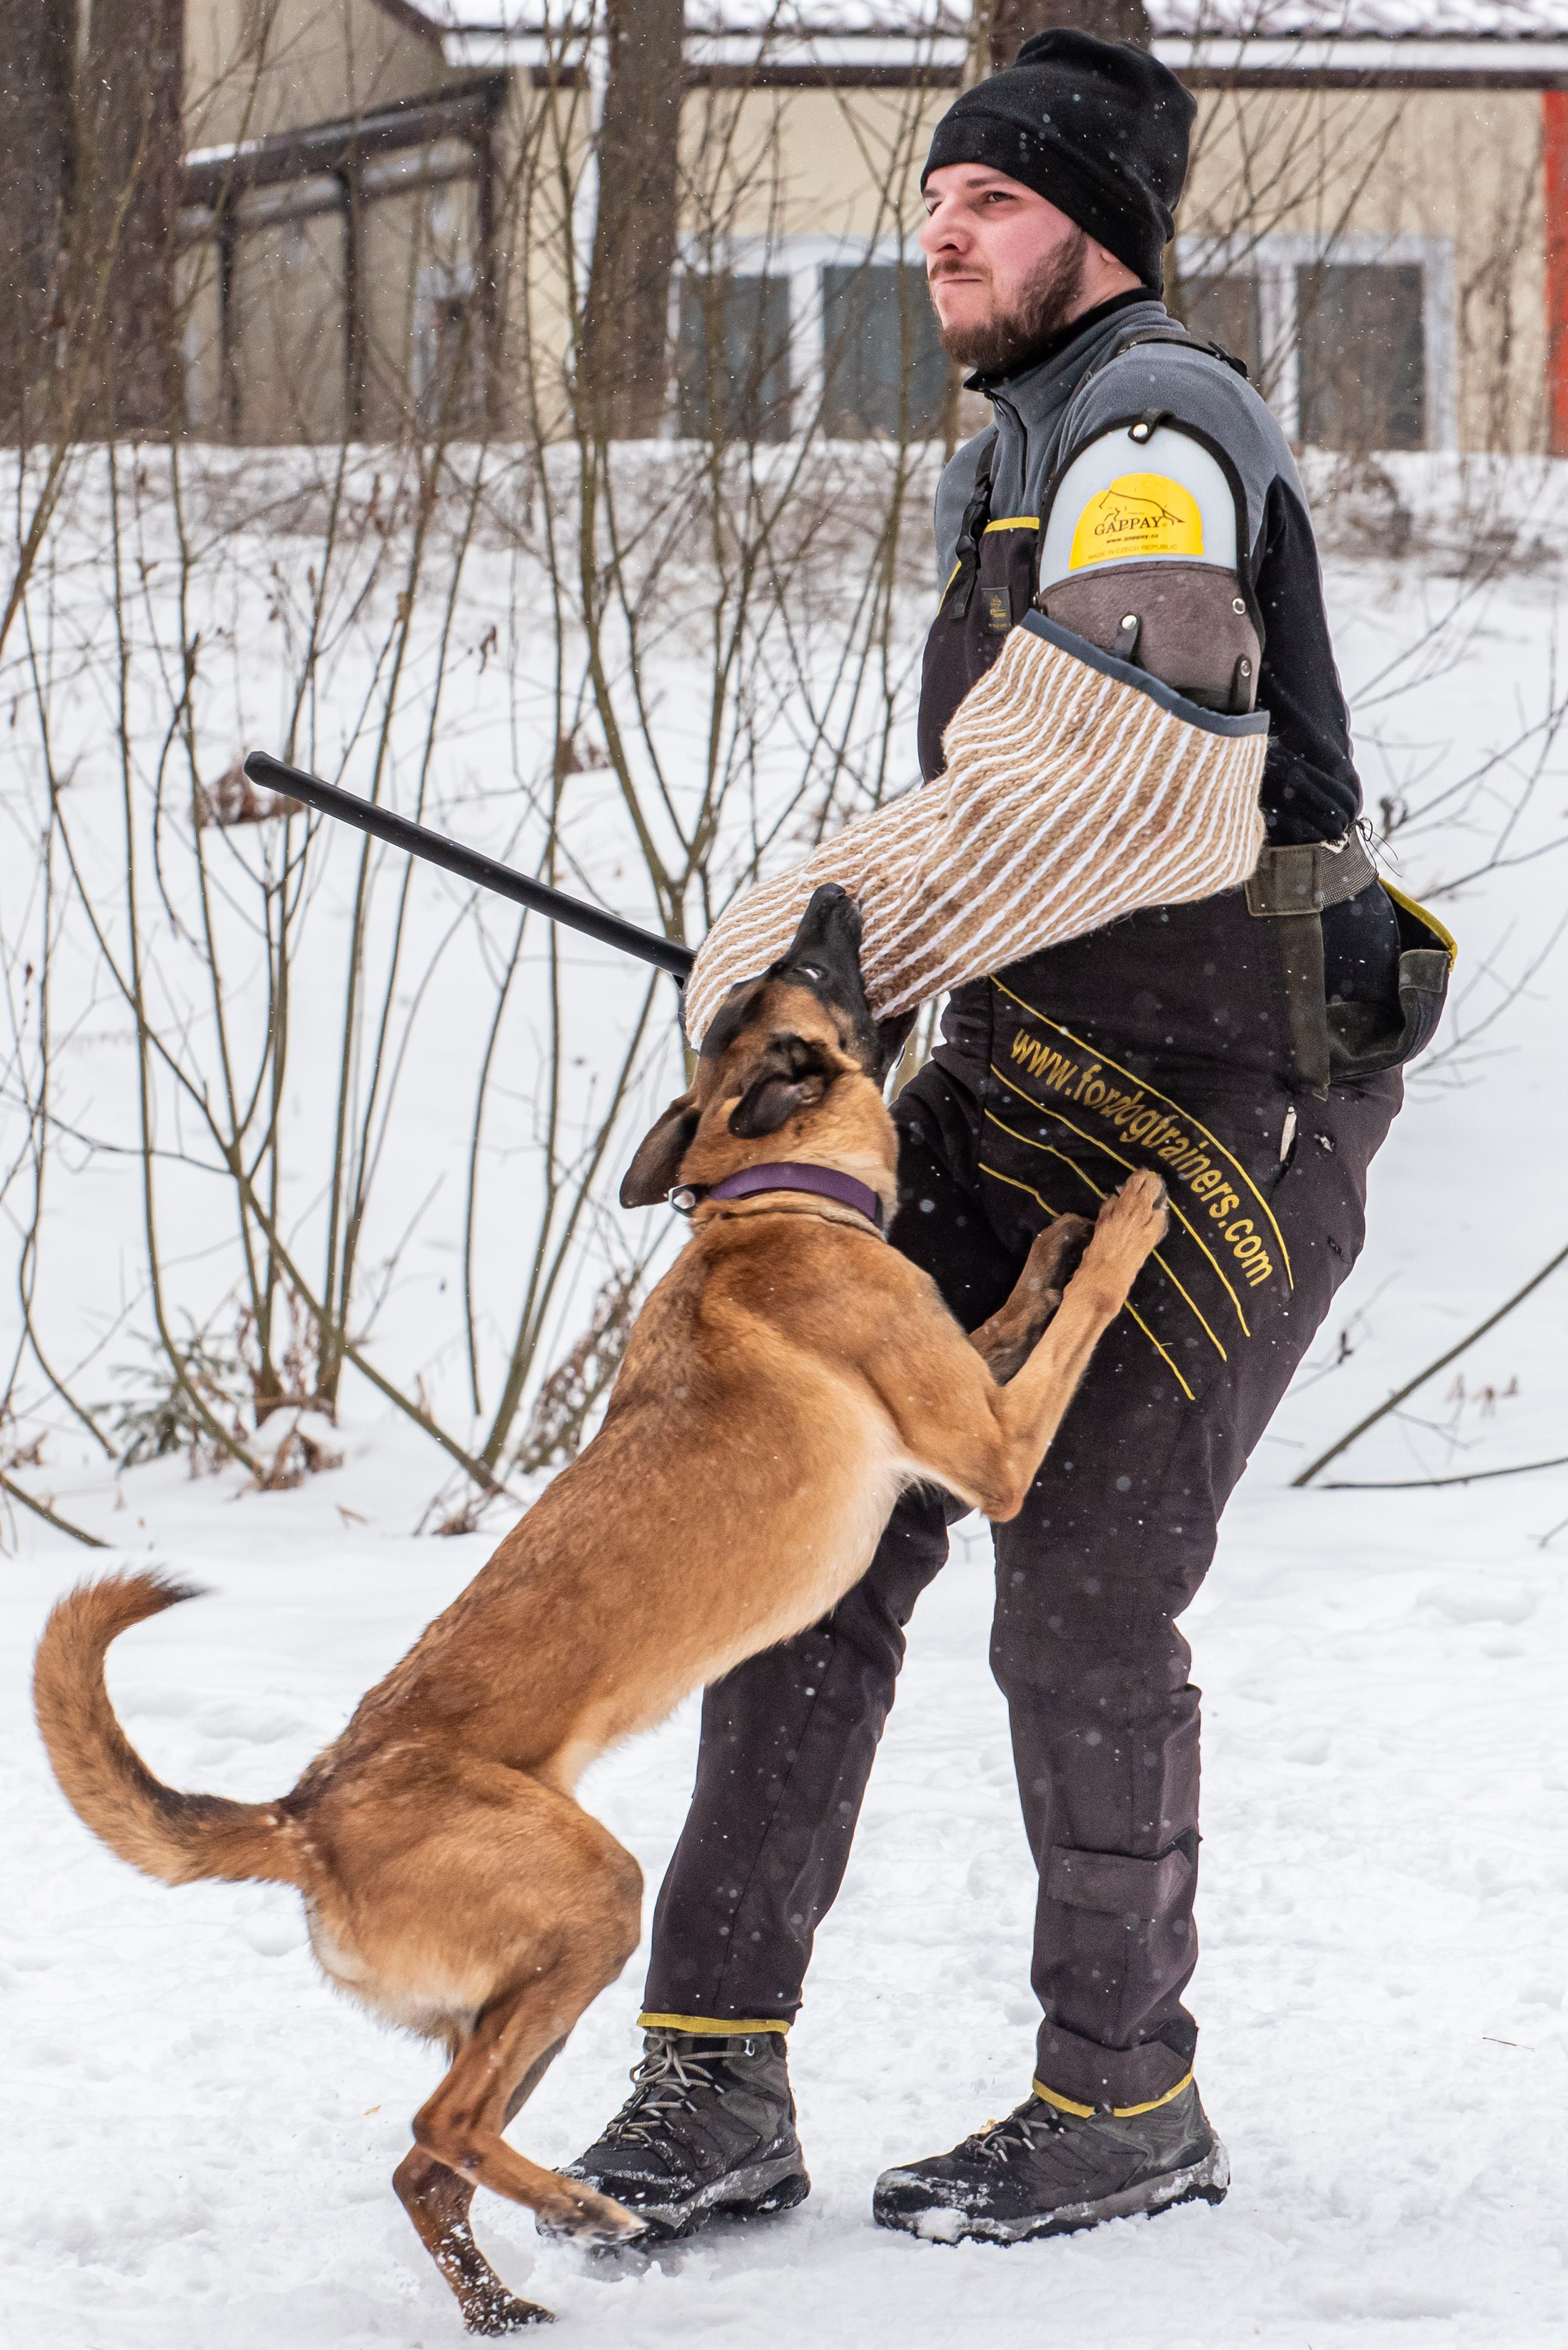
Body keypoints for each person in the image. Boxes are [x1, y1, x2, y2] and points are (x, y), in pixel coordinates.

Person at [569, 29, 1447, 2246]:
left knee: (1084, 1591)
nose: (942, 224)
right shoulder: (1022, 446)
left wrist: (831, 933)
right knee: (810, 1531)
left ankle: (1121, 2097)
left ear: (1102, 233)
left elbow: (1127, 779)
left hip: (1239, 1111)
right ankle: (709, 2087)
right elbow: (1013, 827)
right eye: (936, 193)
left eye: (997, 196)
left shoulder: (1160, 428)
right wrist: (830, 990)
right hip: (1020, 1076)